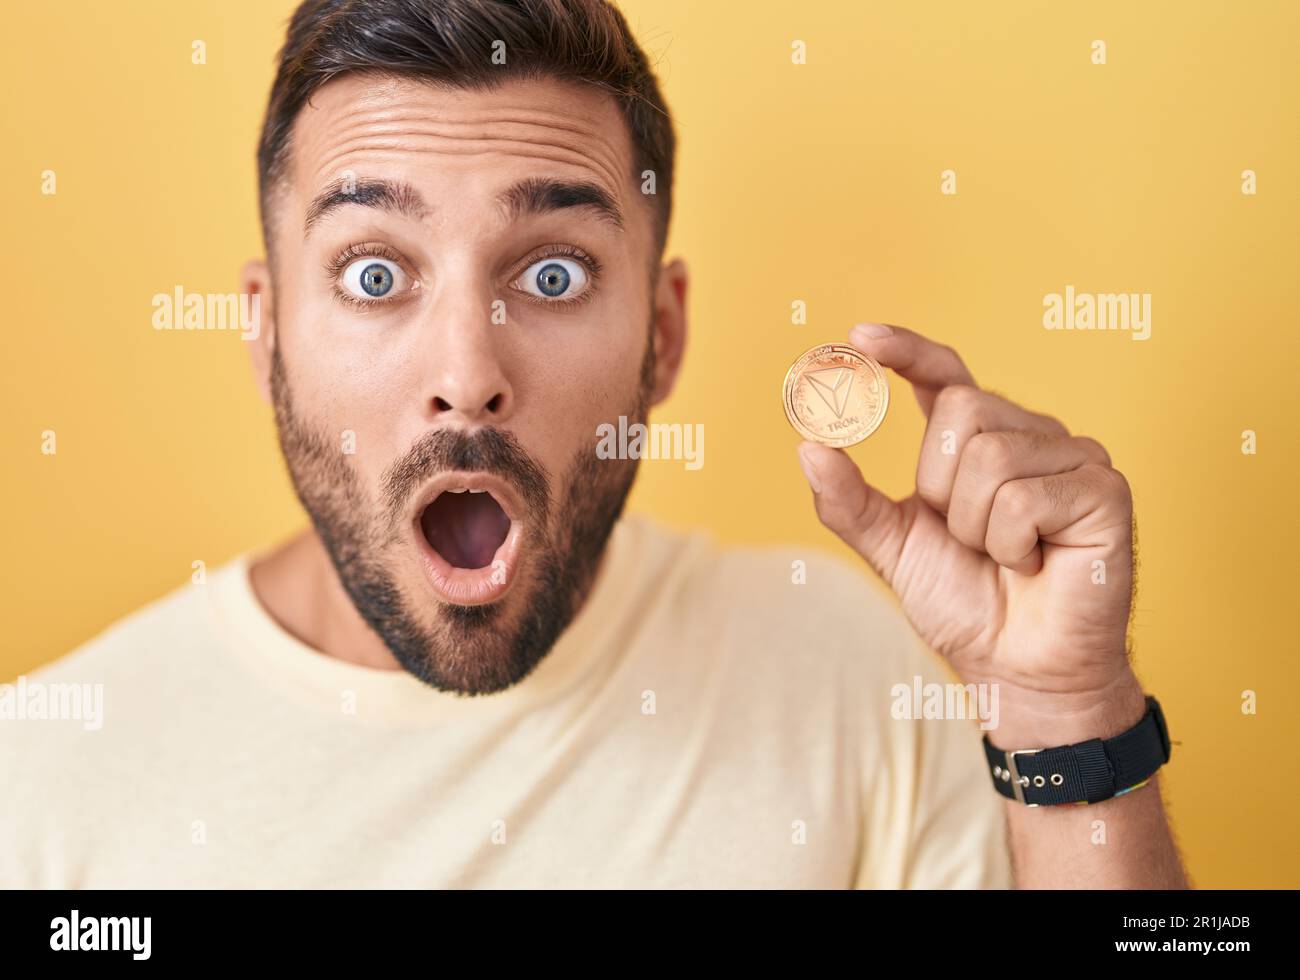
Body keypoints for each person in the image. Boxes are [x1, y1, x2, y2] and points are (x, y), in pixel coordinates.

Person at [0, 0, 1186, 888]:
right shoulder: (43, 785)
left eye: (554, 274)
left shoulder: (841, 674)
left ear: (661, 336)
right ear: (265, 334)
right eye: (373, 275)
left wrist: (1064, 710)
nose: (467, 373)